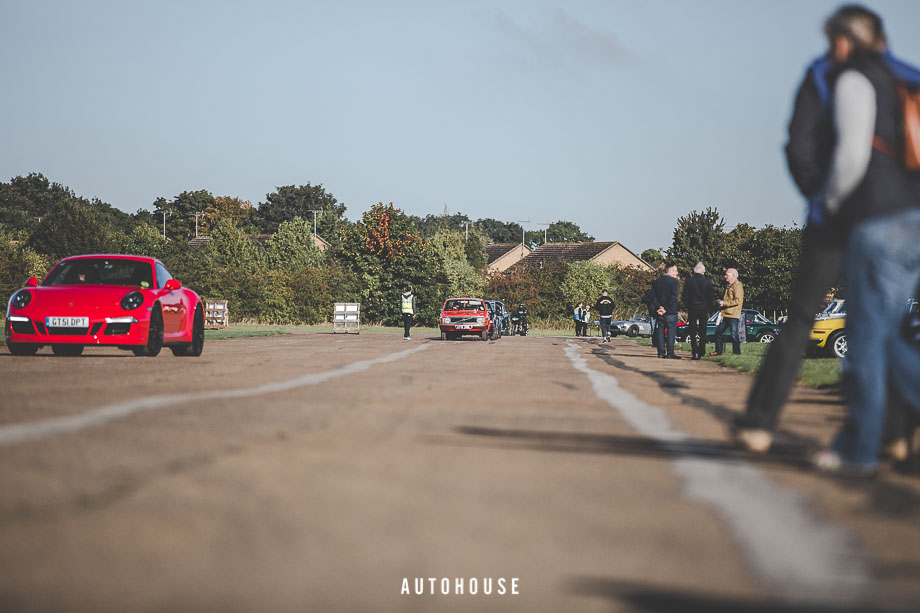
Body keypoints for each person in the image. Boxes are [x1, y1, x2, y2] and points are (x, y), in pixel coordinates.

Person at [735, 4, 920, 461]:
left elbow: (801, 147)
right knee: (886, 326)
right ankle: (896, 435)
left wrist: (820, 198)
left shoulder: (828, 74)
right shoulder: (908, 76)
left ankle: (760, 422)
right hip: (906, 214)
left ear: (841, 39)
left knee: (801, 319)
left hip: (843, 213)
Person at [682, 262, 716, 360]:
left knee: (692, 330)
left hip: (692, 308)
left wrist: (687, 306)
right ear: (703, 271)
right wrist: (710, 308)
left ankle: (694, 351)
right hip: (703, 308)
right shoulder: (708, 282)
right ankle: (702, 350)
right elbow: (711, 298)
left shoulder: (689, 281)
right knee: (703, 330)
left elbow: (685, 296)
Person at [711, 268, 743, 356]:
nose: (725, 276)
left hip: (733, 315)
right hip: (726, 314)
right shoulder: (729, 286)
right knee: (718, 332)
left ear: (733, 275)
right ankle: (719, 351)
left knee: (734, 334)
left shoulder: (737, 285)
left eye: (727, 275)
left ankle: (737, 353)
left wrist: (723, 303)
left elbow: (738, 301)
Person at [651, 262, 680, 359]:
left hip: (659, 311)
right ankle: (670, 353)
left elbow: (653, 297)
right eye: (675, 271)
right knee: (671, 332)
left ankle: (661, 352)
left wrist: (659, 307)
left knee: (660, 332)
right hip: (671, 311)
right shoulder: (674, 282)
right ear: (670, 271)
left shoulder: (656, 282)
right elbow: (673, 297)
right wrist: (666, 308)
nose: (677, 273)